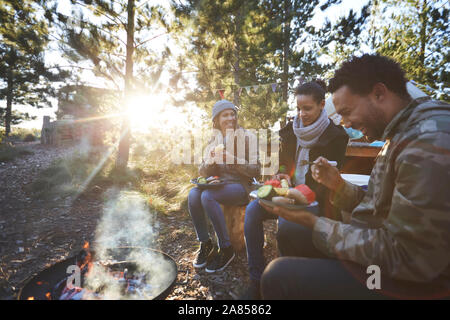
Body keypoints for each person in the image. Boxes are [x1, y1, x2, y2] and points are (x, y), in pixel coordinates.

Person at [259, 54, 450, 299]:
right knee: (290, 232)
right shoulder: (400, 132)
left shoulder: (427, 141)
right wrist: (338, 185)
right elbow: (379, 205)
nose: (345, 122)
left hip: (412, 283)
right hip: (386, 253)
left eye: (347, 112)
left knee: (279, 276)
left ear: (379, 93)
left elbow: (409, 257)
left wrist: (317, 224)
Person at [242, 80, 349, 299]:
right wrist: (281, 174)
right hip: (287, 193)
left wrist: (299, 194)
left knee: (287, 229)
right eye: (298, 108)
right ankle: (256, 279)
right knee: (252, 212)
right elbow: (284, 163)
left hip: (315, 199)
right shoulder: (291, 130)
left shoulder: (336, 137)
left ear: (321, 105)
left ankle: (288, 279)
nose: (301, 114)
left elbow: (328, 182)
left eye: (307, 108)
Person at [188, 99, 260, 273]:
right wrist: (210, 161)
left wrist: (234, 161)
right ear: (216, 120)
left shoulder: (248, 137)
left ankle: (226, 248)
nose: (230, 118)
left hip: (241, 186)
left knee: (207, 196)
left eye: (232, 114)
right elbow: (203, 172)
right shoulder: (213, 140)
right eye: (225, 115)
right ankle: (205, 243)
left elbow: (256, 170)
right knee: (193, 194)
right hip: (218, 185)